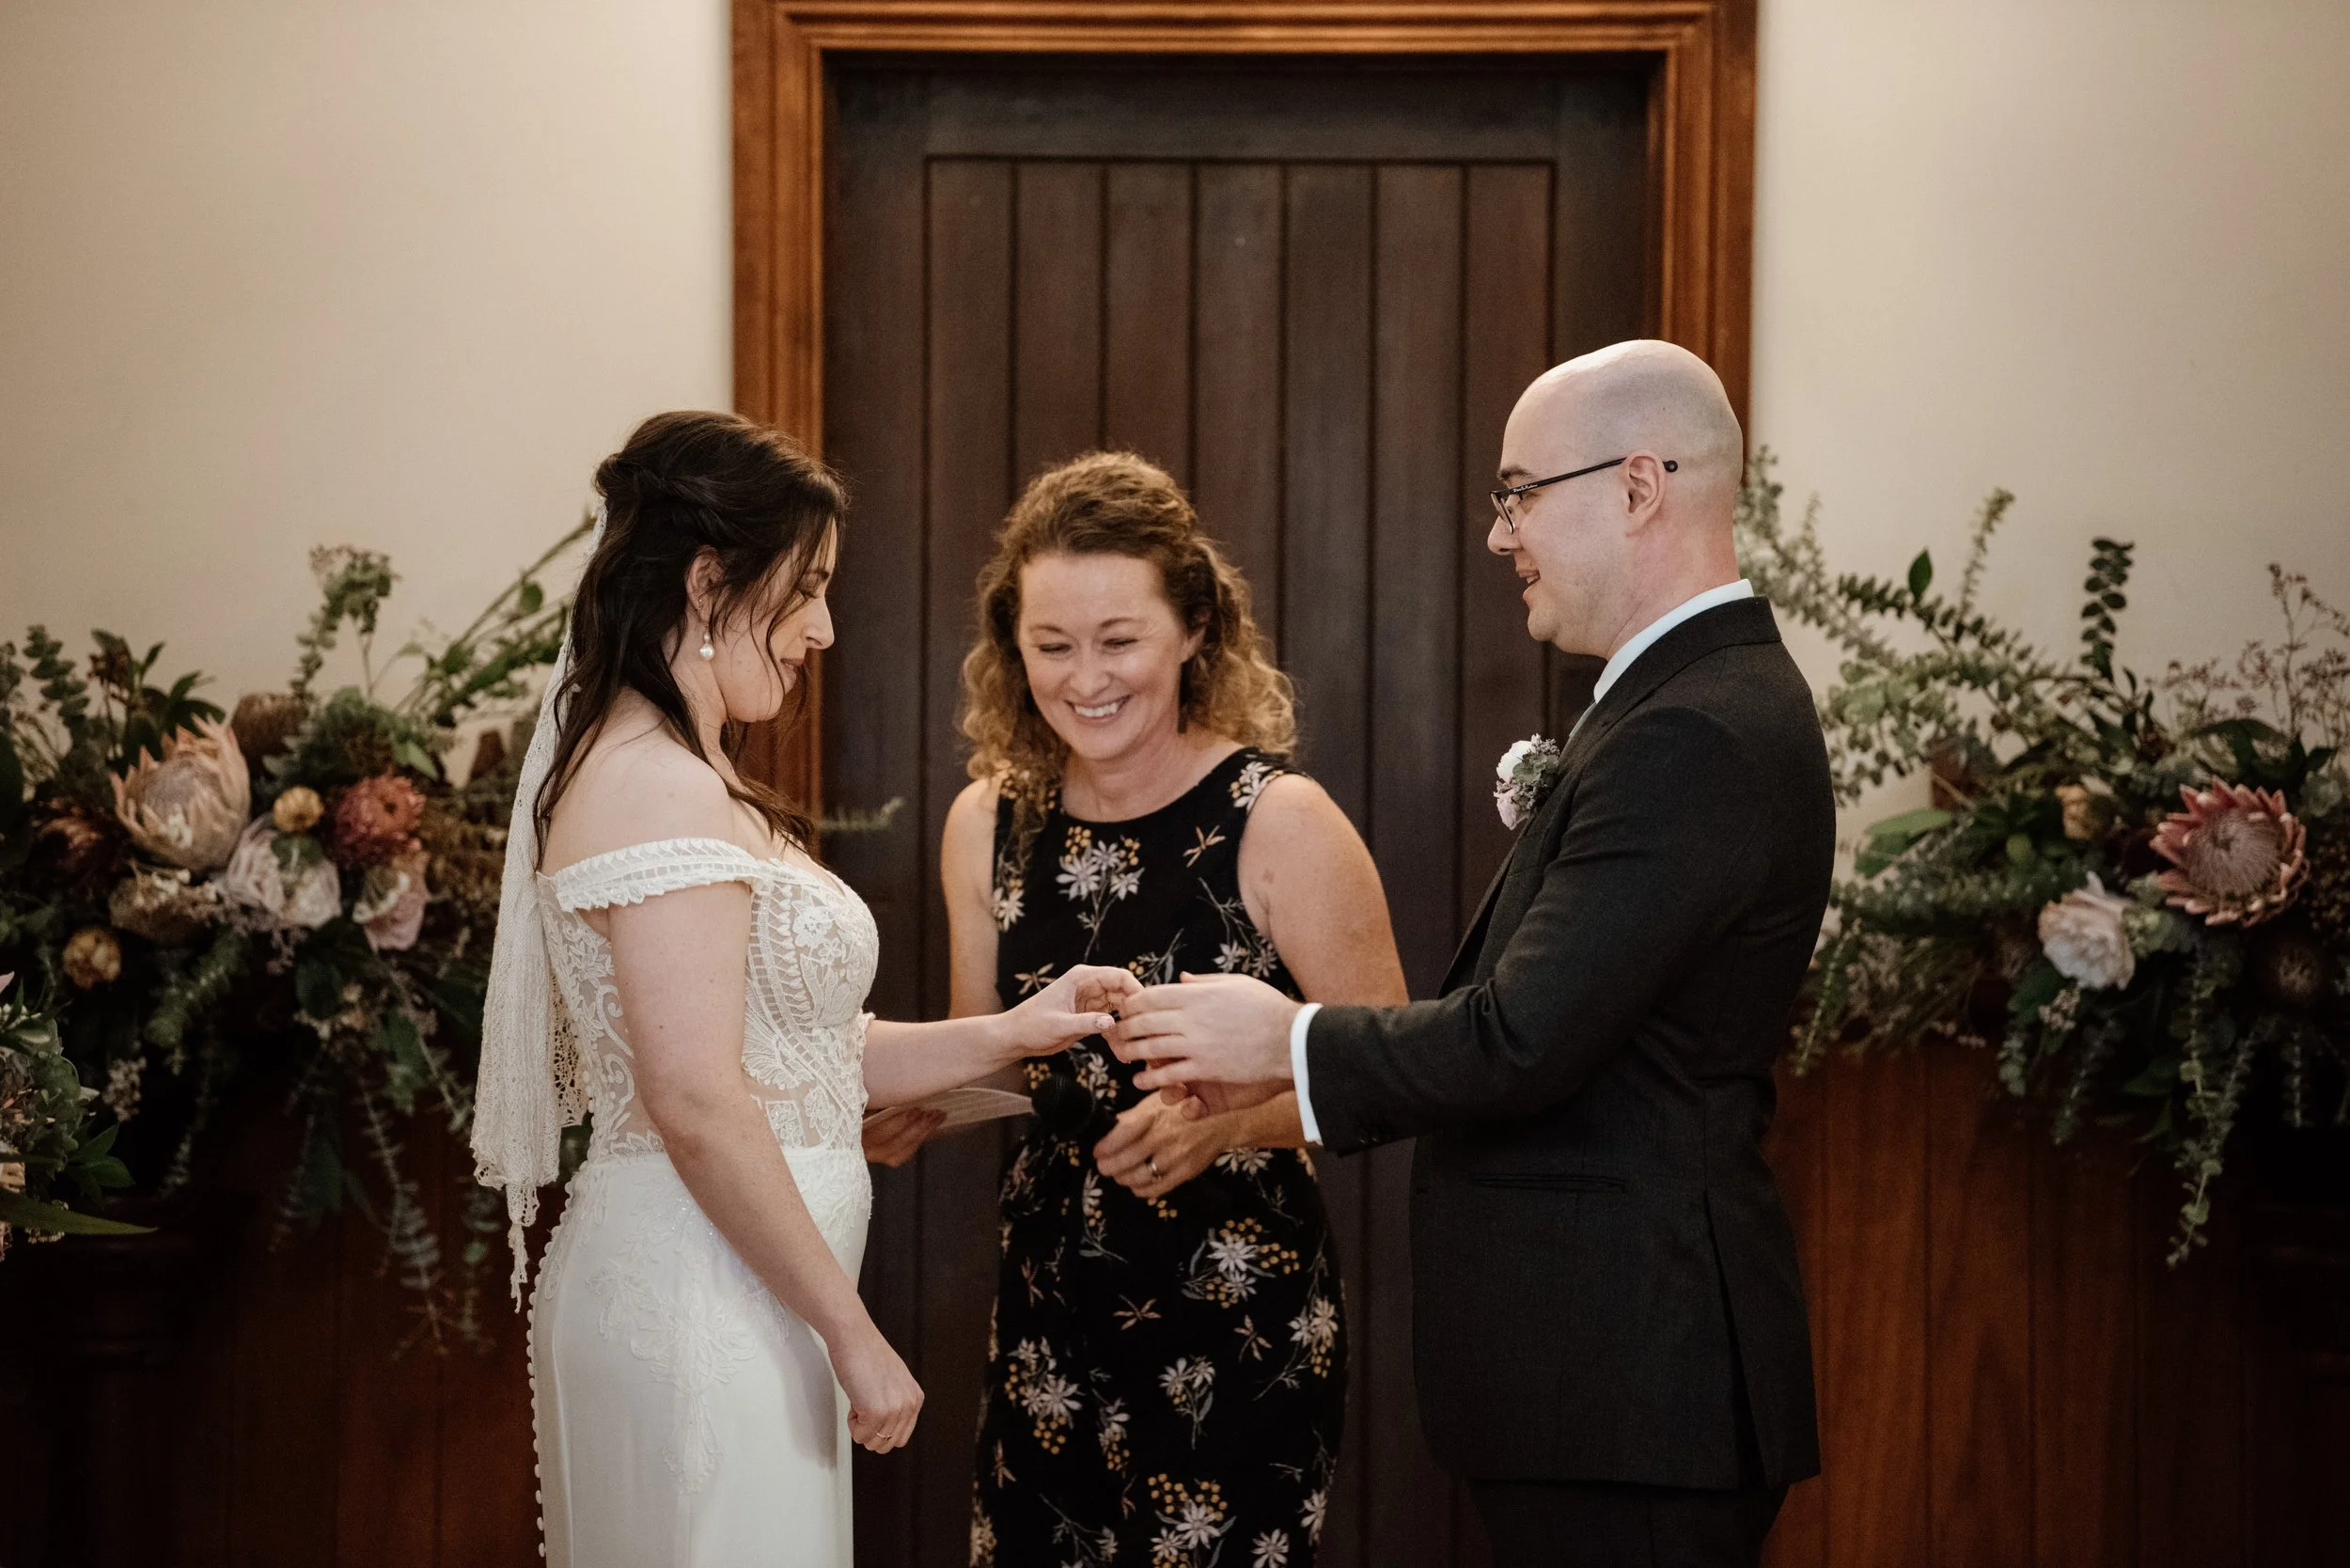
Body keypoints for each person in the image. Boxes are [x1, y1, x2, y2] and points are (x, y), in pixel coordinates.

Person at [1111, 343, 1834, 1568]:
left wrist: (1282, 1037)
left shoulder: (1697, 731)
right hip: (1611, 1382)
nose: (1501, 536)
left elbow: (1519, 1039)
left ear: (1638, 487)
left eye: (1519, 495)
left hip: (1633, 1379)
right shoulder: (1679, 704)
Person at [469, 411, 1137, 1568]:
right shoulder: (655, 785)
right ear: (708, 580)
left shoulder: (688, 776)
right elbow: (693, 1097)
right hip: (703, 1297)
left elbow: (797, 1054)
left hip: (745, 1290)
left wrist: (1017, 1030)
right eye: (808, 588)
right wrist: (851, 1331)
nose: (823, 629)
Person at [921, 452, 1408, 1568]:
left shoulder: (1279, 819)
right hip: (1045, 1315)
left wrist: (1227, 1124)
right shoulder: (986, 823)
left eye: (1118, 640)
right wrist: (879, 1106)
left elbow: (1392, 1070)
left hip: (1238, 1324)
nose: (1085, 677)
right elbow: (986, 1063)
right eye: (1051, 645)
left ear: (1193, 628)